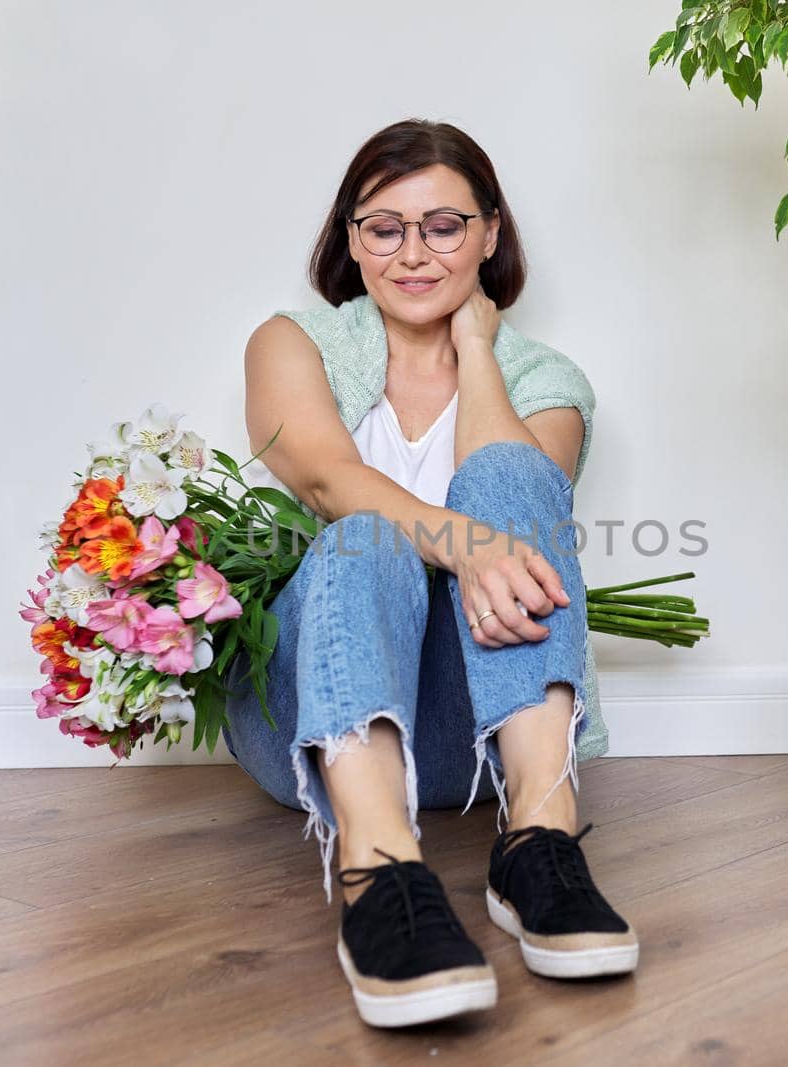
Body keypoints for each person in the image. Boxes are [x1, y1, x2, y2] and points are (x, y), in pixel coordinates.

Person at [226, 118, 636, 1029]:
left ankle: (539, 836)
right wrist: (470, 545)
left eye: (445, 226)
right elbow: (330, 479)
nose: (414, 253)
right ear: (350, 239)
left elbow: (527, 495)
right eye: (384, 227)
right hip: (308, 715)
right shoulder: (292, 344)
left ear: (490, 233)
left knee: (515, 474)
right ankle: (377, 870)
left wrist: (478, 351)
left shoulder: (547, 376)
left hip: (469, 737)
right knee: (361, 536)